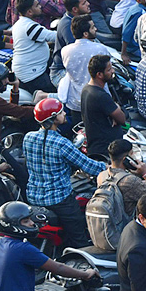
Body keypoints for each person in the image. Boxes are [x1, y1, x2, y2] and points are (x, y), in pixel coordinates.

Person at [24, 97, 107, 248]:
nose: (64, 114)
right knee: (78, 233)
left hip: (33, 196)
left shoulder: (28, 138)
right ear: (53, 118)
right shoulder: (61, 143)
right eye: (61, 112)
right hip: (58, 199)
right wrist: (109, 167)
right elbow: (87, 165)